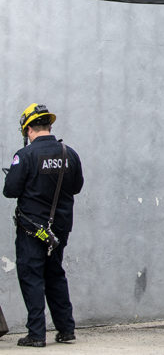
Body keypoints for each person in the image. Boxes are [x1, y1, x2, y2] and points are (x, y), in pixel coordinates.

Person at [4, 103, 84, 348]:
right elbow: (77, 187)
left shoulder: (25, 155)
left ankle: (36, 334)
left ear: (28, 129)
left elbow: (10, 191)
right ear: (49, 125)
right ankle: (66, 329)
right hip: (59, 228)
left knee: (32, 277)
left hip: (32, 228)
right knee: (55, 274)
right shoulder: (68, 153)